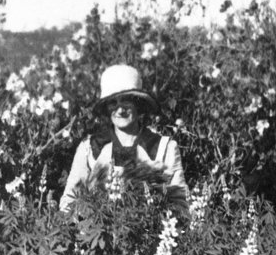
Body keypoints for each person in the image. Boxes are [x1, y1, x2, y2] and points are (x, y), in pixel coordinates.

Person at [59, 64, 189, 215]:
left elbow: (181, 202)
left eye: (126, 101)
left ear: (137, 104)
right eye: (113, 103)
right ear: (107, 108)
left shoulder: (164, 148)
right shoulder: (90, 148)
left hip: (150, 232)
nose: (120, 110)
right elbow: (69, 199)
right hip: (97, 232)